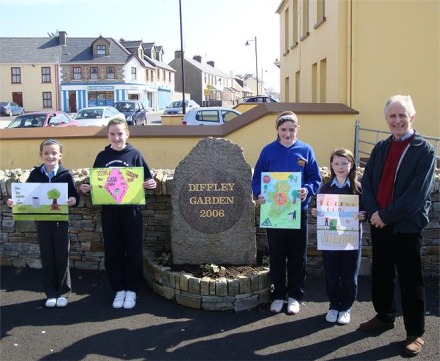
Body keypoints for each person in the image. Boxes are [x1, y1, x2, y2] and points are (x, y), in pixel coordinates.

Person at [358, 95, 436, 357]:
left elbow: (415, 196)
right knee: (381, 274)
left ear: (412, 117)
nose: (397, 120)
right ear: (386, 119)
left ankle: (415, 333)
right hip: (380, 223)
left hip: (406, 227)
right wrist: (374, 212)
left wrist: (385, 216)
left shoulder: (424, 150)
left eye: (402, 115)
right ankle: (384, 316)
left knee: (411, 280)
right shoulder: (380, 148)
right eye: (392, 116)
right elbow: (366, 183)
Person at [80, 117, 156, 309]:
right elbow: (95, 181)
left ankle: (131, 290)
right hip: (109, 211)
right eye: (112, 134)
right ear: (108, 135)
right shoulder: (102, 157)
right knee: (113, 251)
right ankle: (118, 289)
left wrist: (151, 184)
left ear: (127, 134)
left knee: (132, 250)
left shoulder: (135, 154)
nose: (116, 138)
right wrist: (87, 188)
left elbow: (148, 179)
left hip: (131, 211)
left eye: (120, 133)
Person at [252, 111, 321, 314]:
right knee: (277, 255)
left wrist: (306, 189)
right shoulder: (268, 151)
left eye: (292, 129)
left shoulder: (306, 150)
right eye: (283, 129)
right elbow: (257, 179)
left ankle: (295, 295)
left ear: (297, 129)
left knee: (297, 256)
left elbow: (315, 178)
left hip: (297, 211)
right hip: (274, 212)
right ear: (277, 130)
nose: (287, 133)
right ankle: (279, 294)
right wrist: (259, 195)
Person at [7, 139, 80, 308]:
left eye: (54, 153)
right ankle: (51, 293)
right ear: (41, 155)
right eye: (46, 153)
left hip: (60, 223)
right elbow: (24, 196)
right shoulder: (35, 175)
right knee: (47, 257)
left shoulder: (65, 175)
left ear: (60, 155)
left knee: (61, 257)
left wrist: (72, 200)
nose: (50, 156)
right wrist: (14, 202)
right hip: (42, 222)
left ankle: (63, 292)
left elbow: (75, 197)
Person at [311, 148, 366, 325]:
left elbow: (367, 209)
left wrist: (363, 214)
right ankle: (334, 305)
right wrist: (316, 212)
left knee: (350, 276)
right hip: (330, 239)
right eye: (336, 163)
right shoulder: (326, 187)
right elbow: (321, 211)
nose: (340, 167)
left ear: (351, 165)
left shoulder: (358, 188)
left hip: (351, 239)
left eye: (345, 163)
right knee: (332, 274)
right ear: (332, 166)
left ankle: (346, 307)